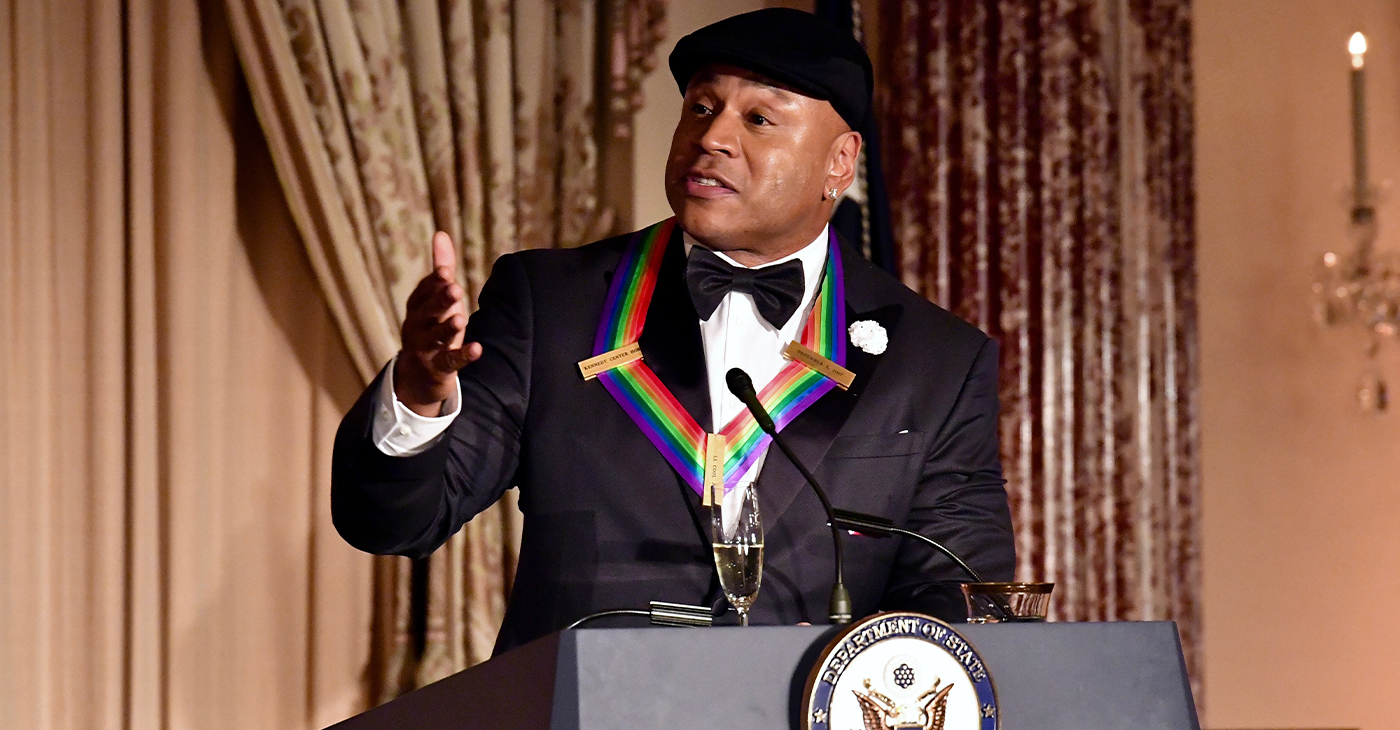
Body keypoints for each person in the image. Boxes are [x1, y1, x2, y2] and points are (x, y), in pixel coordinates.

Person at [331, 7, 1014, 655]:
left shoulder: (937, 361)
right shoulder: (553, 304)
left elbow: (958, 597)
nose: (712, 138)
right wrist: (417, 395)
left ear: (840, 161)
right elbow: (392, 521)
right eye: (701, 108)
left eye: (759, 119)